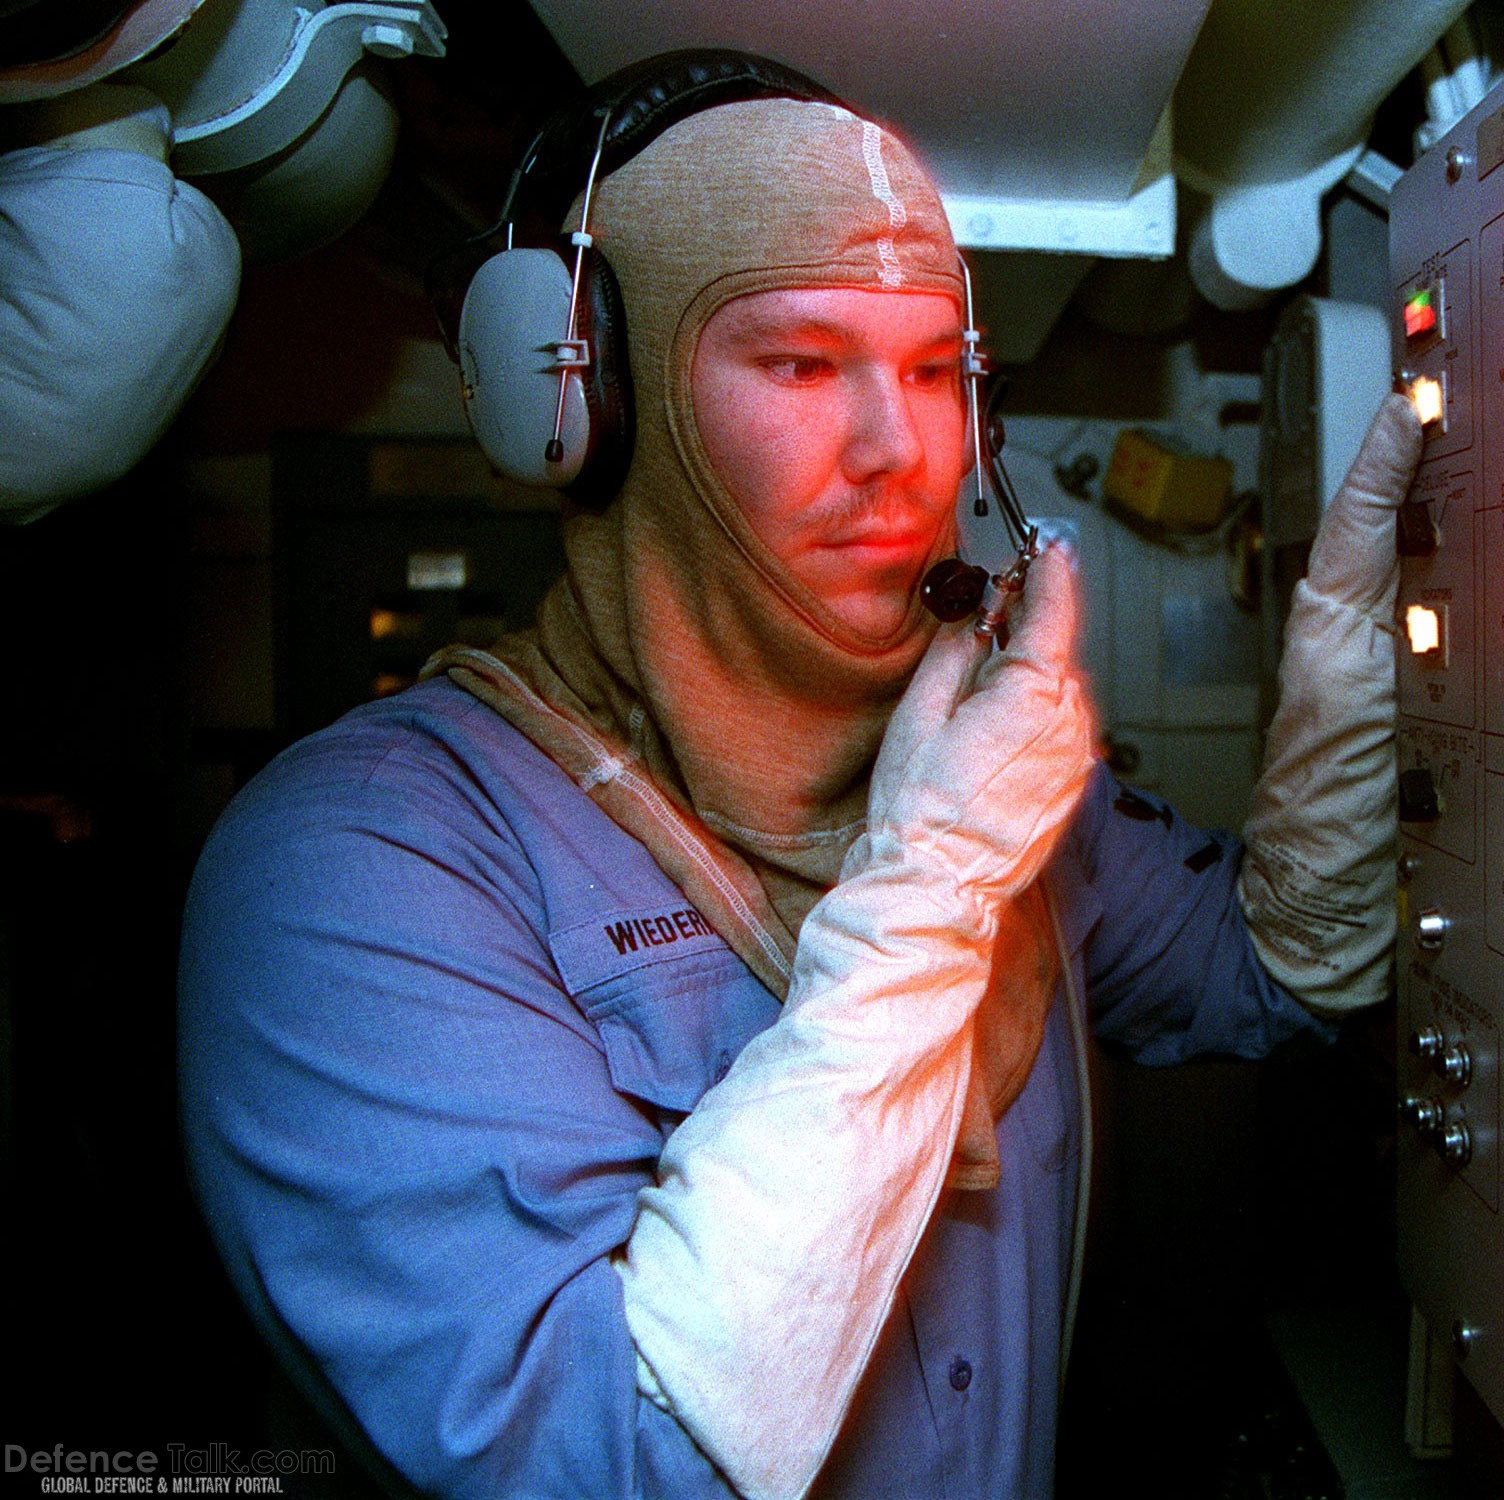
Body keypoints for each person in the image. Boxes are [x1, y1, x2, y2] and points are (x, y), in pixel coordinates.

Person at [178, 50, 1422, 1500]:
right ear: (584, 401)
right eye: (801, 363)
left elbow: (1279, 968)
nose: (902, 454)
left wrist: (1354, 667)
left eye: (932, 370)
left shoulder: (995, 784)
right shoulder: (356, 868)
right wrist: (930, 891)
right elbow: (614, 1462)